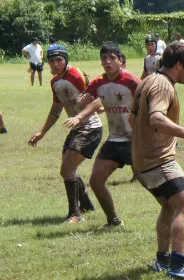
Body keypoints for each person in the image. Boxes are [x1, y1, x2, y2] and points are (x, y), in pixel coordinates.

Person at [130, 41, 184, 280]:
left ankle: (162, 261)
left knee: (169, 206)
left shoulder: (148, 80)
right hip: (158, 160)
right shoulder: (163, 86)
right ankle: (178, 267)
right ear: (179, 65)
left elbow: (133, 120)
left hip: (141, 161)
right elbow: (156, 118)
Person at [65, 43, 140, 228]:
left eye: (112, 58)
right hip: (114, 140)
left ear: (121, 61)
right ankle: (113, 221)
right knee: (96, 181)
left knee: (151, 183)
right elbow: (96, 101)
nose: (107, 62)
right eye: (104, 58)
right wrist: (81, 110)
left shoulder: (133, 81)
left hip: (135, 141)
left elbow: (148, 103)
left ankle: (173, 209)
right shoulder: (98, 83)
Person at [28, 45, 102, 223]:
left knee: (66, 169)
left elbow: (97, 100)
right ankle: (86, 205)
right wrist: (42, 132)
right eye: (52, 60)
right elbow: (56, 109)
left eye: (59, 59)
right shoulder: (55, 82)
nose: (55, 63)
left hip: (90, 128)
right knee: (69, 169)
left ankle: (75, 214)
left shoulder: (77, 75)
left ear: (66, 60)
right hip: (77, 129)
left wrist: (87, 113)